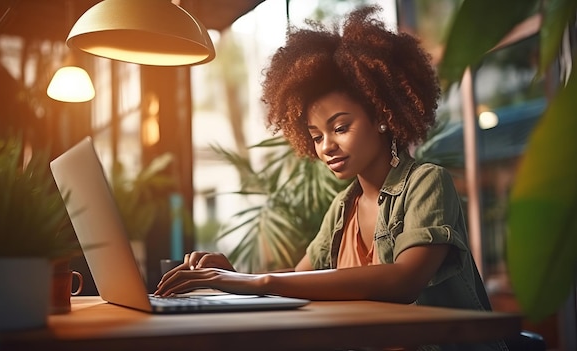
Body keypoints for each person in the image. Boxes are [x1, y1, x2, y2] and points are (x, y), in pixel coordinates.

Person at [156, 5, 507, 350]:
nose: (327, 147)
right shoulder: (344, 207)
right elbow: (301, 277)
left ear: (382, 115)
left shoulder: (427, 183)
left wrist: (257, 281)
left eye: (340, 127)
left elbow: (404, 280)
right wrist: (232, 275)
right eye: (316, 135)